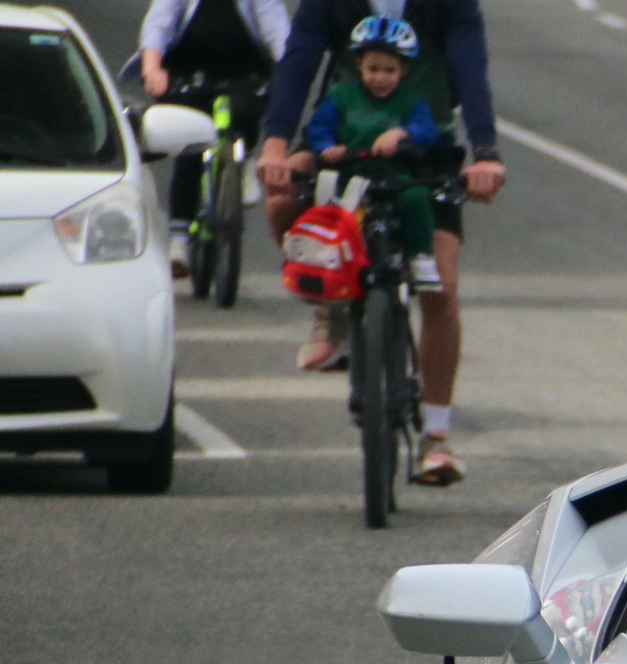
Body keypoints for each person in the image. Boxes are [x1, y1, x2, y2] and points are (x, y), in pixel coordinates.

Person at [256, 0, 505, 486]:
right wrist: (275, 143)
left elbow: (470, 69)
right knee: (281, 203)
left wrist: (486, 153)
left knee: (442, 292)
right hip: (341, 144)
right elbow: (299, 60)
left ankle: (436, 438)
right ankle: (330, 309)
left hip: (422, 151)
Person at [136, 0, 293, 271]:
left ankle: (243, 160)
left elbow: (276, 28)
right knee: (190, 145)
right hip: (190, 75)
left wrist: (289, 69)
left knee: (247, 109)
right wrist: (153, 66)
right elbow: (159, 23)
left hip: (244, 74)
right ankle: (179, 237)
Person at [293, 20, 442, 290]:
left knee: (417, 198)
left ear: (404, 70)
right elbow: (320, 126)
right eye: (373, 69)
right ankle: (325, 261)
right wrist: (326, 148)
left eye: (390, 71)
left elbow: (427, 131)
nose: (380, 78)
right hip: (349, 179)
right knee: (329, 210)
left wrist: (401, 133)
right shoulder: (342, 97)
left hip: (394, 177)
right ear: (359, 65)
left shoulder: (413, 103)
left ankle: (421, 257)